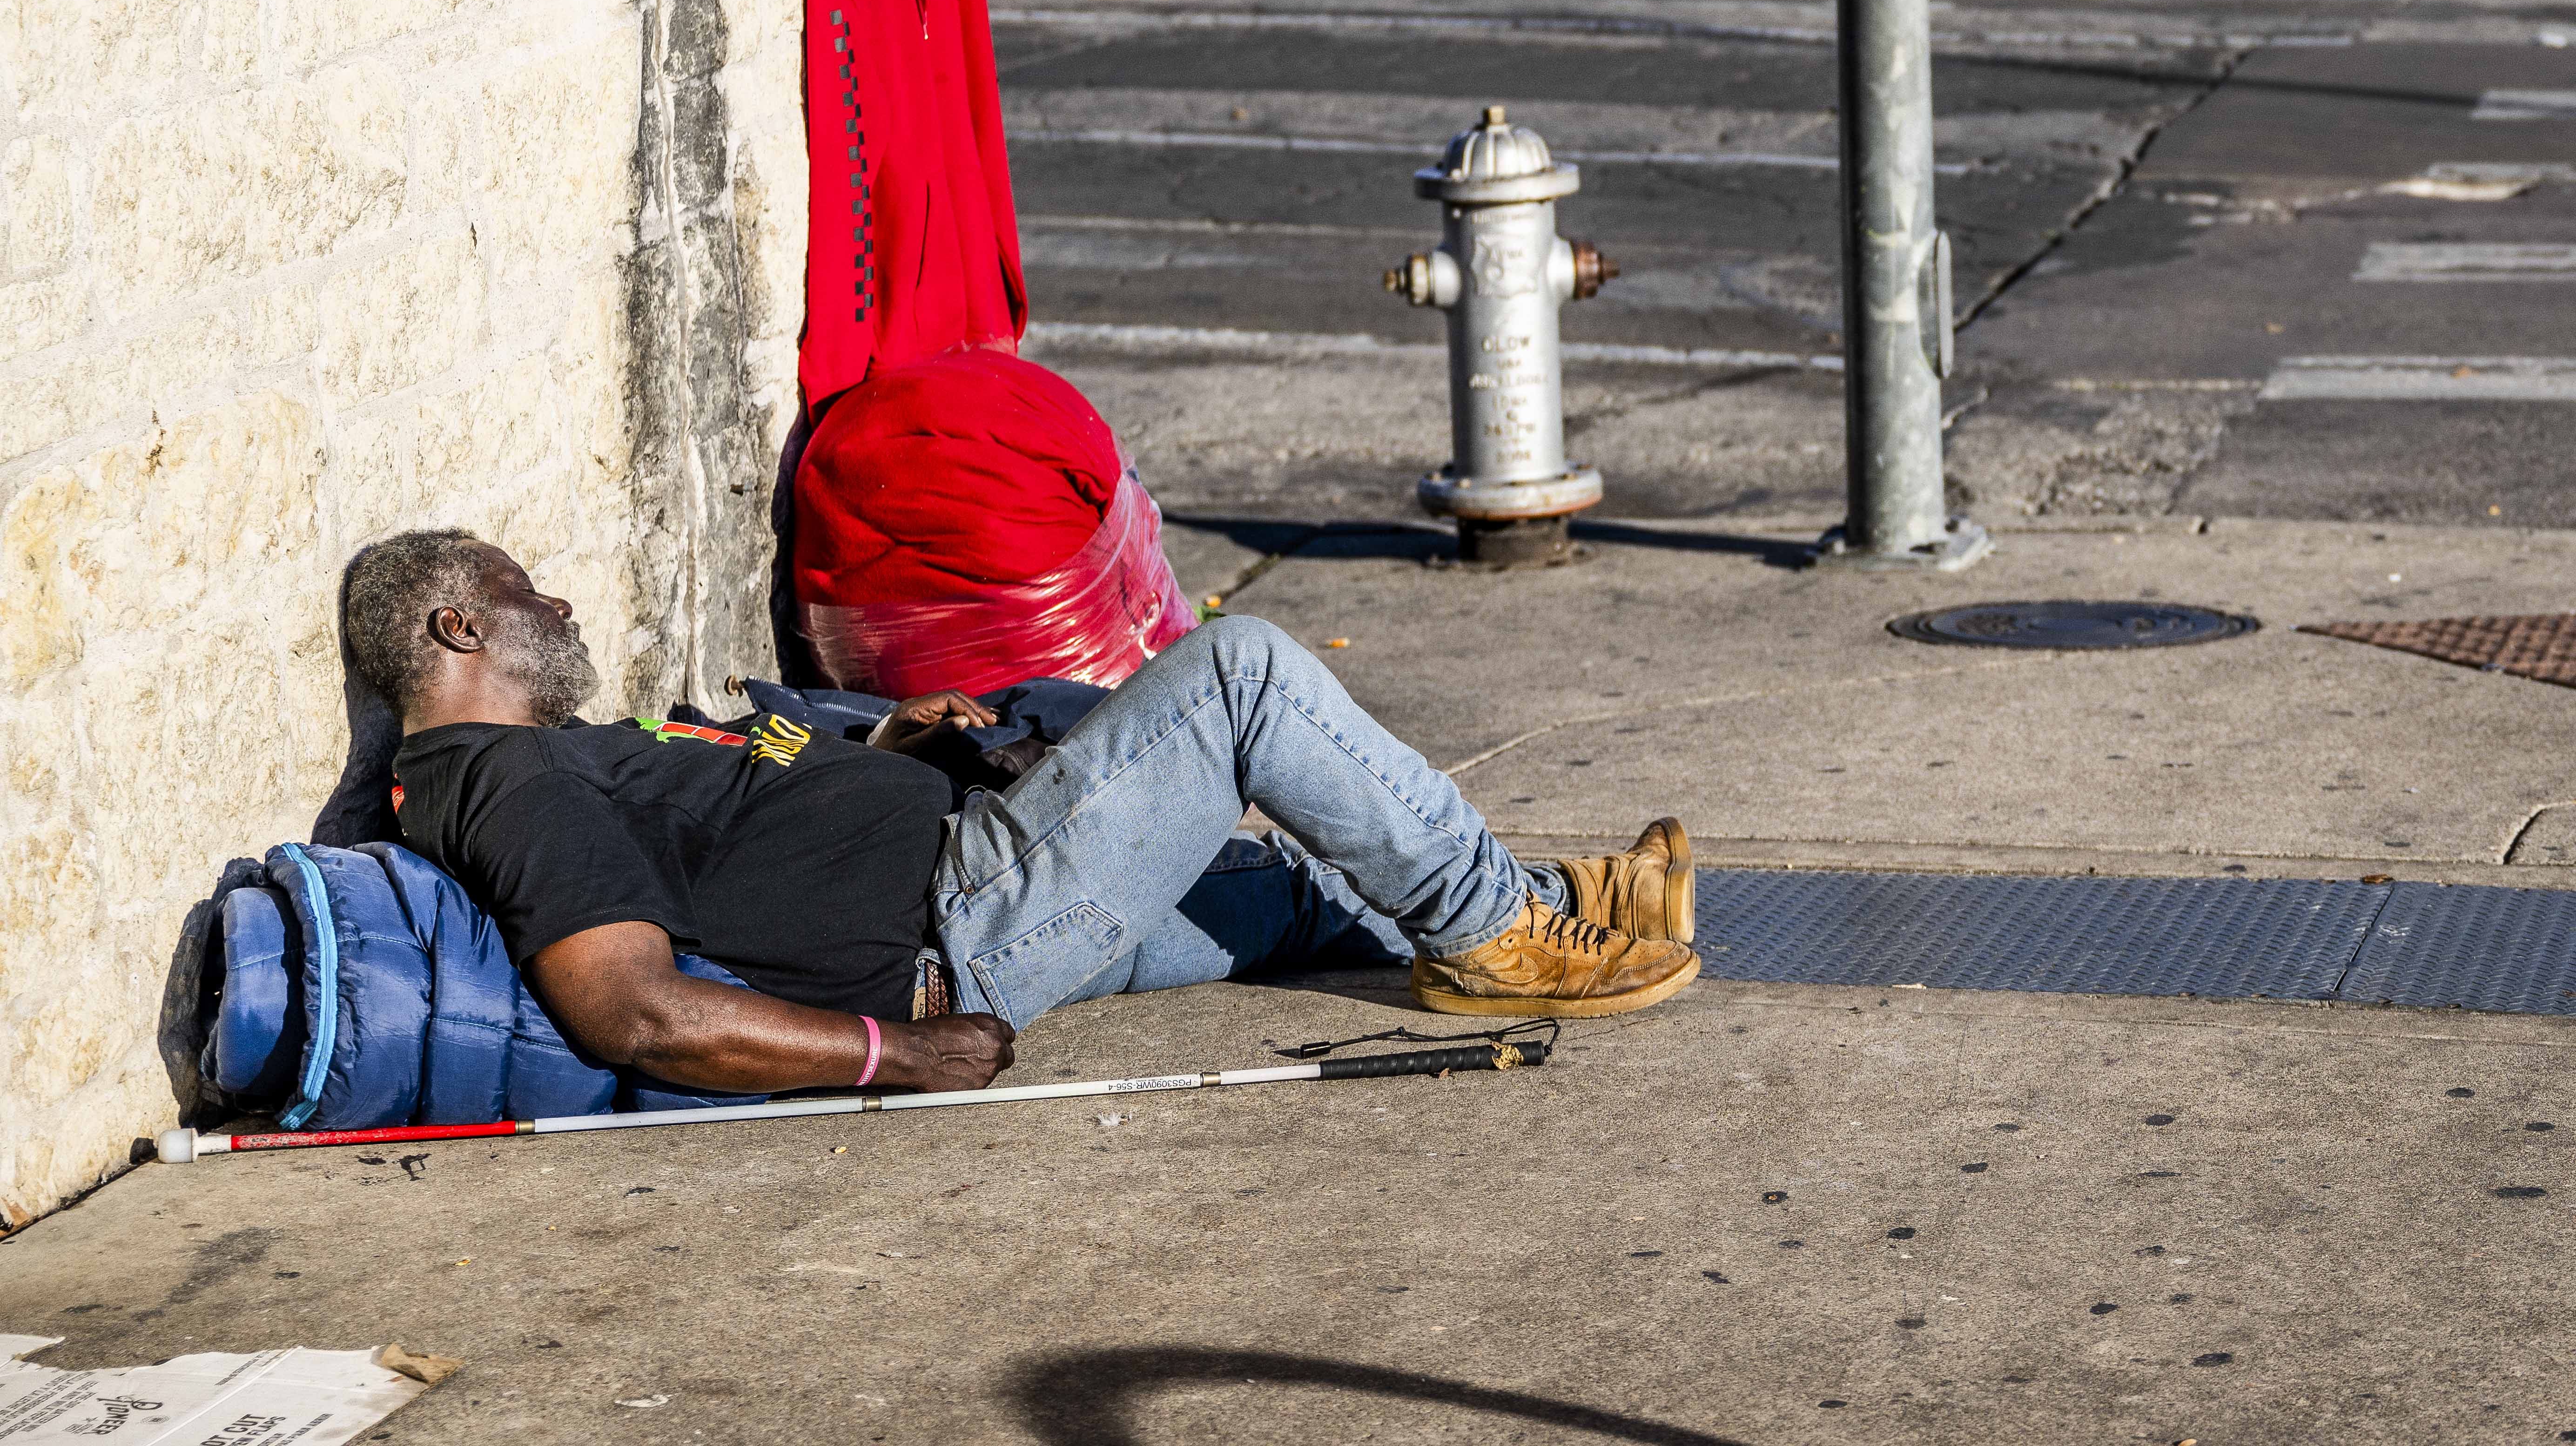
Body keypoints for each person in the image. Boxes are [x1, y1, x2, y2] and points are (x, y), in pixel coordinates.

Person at [339, 530, 1699, 1096]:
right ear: (460, 622)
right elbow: (630, 1010)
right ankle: (1493, 932)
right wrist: (890, 1056)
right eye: (528, 592)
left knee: (1278, 891)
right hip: (970, 918)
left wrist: (882, 740)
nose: (562, 607)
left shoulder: (555, 754)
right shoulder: (504, 777)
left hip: (982, 881)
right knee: (1242, 675)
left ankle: (1558, 908)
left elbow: (736, 824)